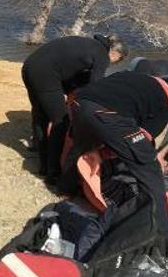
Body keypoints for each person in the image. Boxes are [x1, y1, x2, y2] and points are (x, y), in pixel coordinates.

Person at [61, 71, 168, 235]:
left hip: (80, 105)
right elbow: (145, 135)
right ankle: (163, 227)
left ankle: (66, 187)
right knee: (149, 167)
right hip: (107, 114)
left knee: (81, 147)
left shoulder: (131, 76)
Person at [21, 35, 128, 180]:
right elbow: (95, 87)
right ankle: (52, 171)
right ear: (116, 53)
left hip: (30, 66)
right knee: (61, 122)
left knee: (41, 115)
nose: (113, 64)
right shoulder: (102, 54)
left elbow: (71, 70)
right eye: (118, 61)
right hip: (46, 74)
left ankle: (40, 153)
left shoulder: (90, 45)